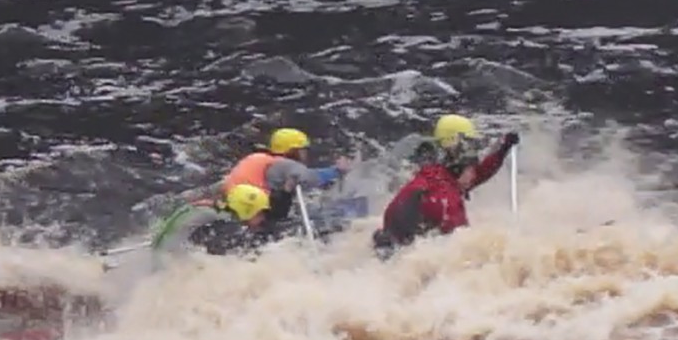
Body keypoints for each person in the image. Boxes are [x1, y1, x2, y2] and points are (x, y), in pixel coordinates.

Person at [371, 114, 519, 259]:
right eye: (470, 166)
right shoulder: (445, 197)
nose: (474, 171)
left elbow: (480, 173)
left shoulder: (435, 176)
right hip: (409, 260)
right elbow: (463, 250)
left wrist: (502, 149)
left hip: (397, 251)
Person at [220, 127, 352, 225]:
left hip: (238, 207)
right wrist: (337, 170)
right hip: (253, 211)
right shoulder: (284, 165)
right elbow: (308, 178)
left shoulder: (259, 158)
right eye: (302, 151)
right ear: (292, 151)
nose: (305, 155)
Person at [151, 183, 274, 257]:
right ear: (246, 210)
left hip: (162, 251)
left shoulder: (218, 209)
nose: (262, 218)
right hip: (171, 263)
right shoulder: (224, 226)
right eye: (259, 213)